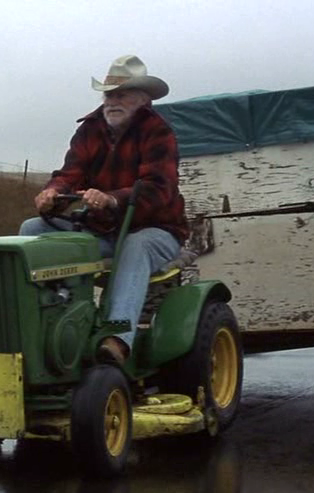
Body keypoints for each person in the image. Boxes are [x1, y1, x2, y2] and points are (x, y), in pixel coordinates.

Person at [19, 55, 188, 366]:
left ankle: (118, 339)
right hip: (103, 230)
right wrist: (52, 192)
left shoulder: (158, 132)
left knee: (136, 245)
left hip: (157, 230)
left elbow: (158, 189)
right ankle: (45, 323)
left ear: (143, 99)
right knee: (32, 230)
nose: (112, 101)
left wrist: (112, 199)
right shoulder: (90, 129)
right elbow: (70, 173)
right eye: (109, 94)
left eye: (122, 94)